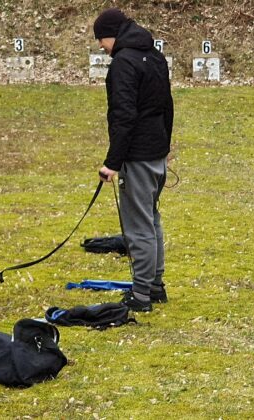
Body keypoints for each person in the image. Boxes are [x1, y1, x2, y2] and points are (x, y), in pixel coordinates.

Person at [93, 8, 174, 312]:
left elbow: (123, 116)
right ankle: (155, 286)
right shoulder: (154, 56)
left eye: (101, 39)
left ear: (112, 34)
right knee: (151, 220)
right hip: (155, 154)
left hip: (138, 156)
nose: (101, 45)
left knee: (138, 226)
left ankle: (141, 295)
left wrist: (112, 163)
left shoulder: (124, 63)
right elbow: (167, 105)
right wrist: (164, 145)